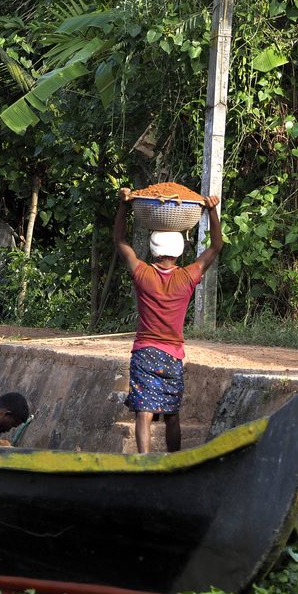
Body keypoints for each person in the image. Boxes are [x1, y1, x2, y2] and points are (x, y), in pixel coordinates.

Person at [114, 188, 222, 454]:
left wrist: (124, 205)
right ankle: (174, 462)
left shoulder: (142, 274)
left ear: (152, 250)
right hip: (172, 355)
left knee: (144, 412)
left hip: (144, 353)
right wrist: (211, 210)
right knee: (172, 412)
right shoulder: (187, 277)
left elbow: (119, 240)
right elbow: (216, 246)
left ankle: (143, 461)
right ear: (180, 250)